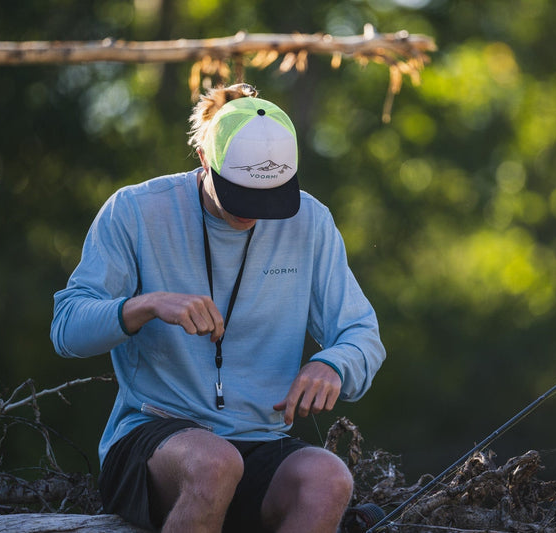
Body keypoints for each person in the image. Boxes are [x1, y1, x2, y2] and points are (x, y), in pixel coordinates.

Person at [50, 83, 386, 533]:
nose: (256, 213)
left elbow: (361, 334)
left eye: (271, 196)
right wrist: (146, 304)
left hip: (261, 440)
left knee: (328, 479)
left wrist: (334, 364)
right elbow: (67, 329)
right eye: (242, 193)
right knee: (215, 464)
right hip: (154, 437)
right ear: (206, 160)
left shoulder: (311, 222)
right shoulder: (134, 210)